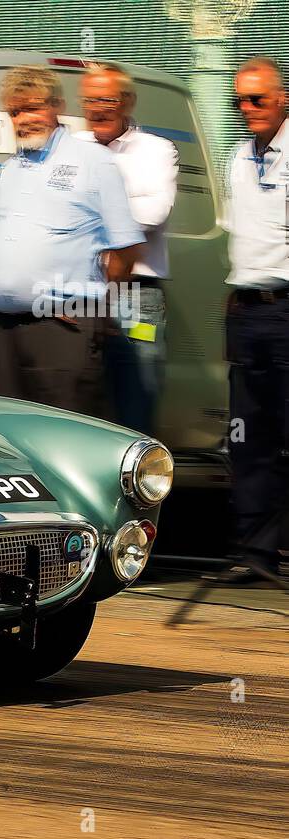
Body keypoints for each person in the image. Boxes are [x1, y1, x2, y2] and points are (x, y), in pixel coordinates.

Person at [0, 65, 145, 416]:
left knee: (63, 437)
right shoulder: (9, 170)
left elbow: (126, 247)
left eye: (32, 107)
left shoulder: (93, 161)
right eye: (14, 111)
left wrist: (93, 310)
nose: (22, 118)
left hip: (62, 328)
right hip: (7, 330)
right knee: (13, 440)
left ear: (56, 105)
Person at [209, 56, 289, 584]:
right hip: (248, 309)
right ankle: (254, 552)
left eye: (257, 99)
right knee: (248, 436)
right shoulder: (240, 155)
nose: (246, 109)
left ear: (283, 98)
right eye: (239, 100)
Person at [77, 63, 178, 435]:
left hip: (137, 301)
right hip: (79, 297)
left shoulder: (156, 149)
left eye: (107, 98)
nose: (97, 108)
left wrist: (88, 213)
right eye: (89, 99)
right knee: (80, 411)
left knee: (135, 410)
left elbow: (154, 212)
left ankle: (138, 489)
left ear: (128, 101)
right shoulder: (71, 150)